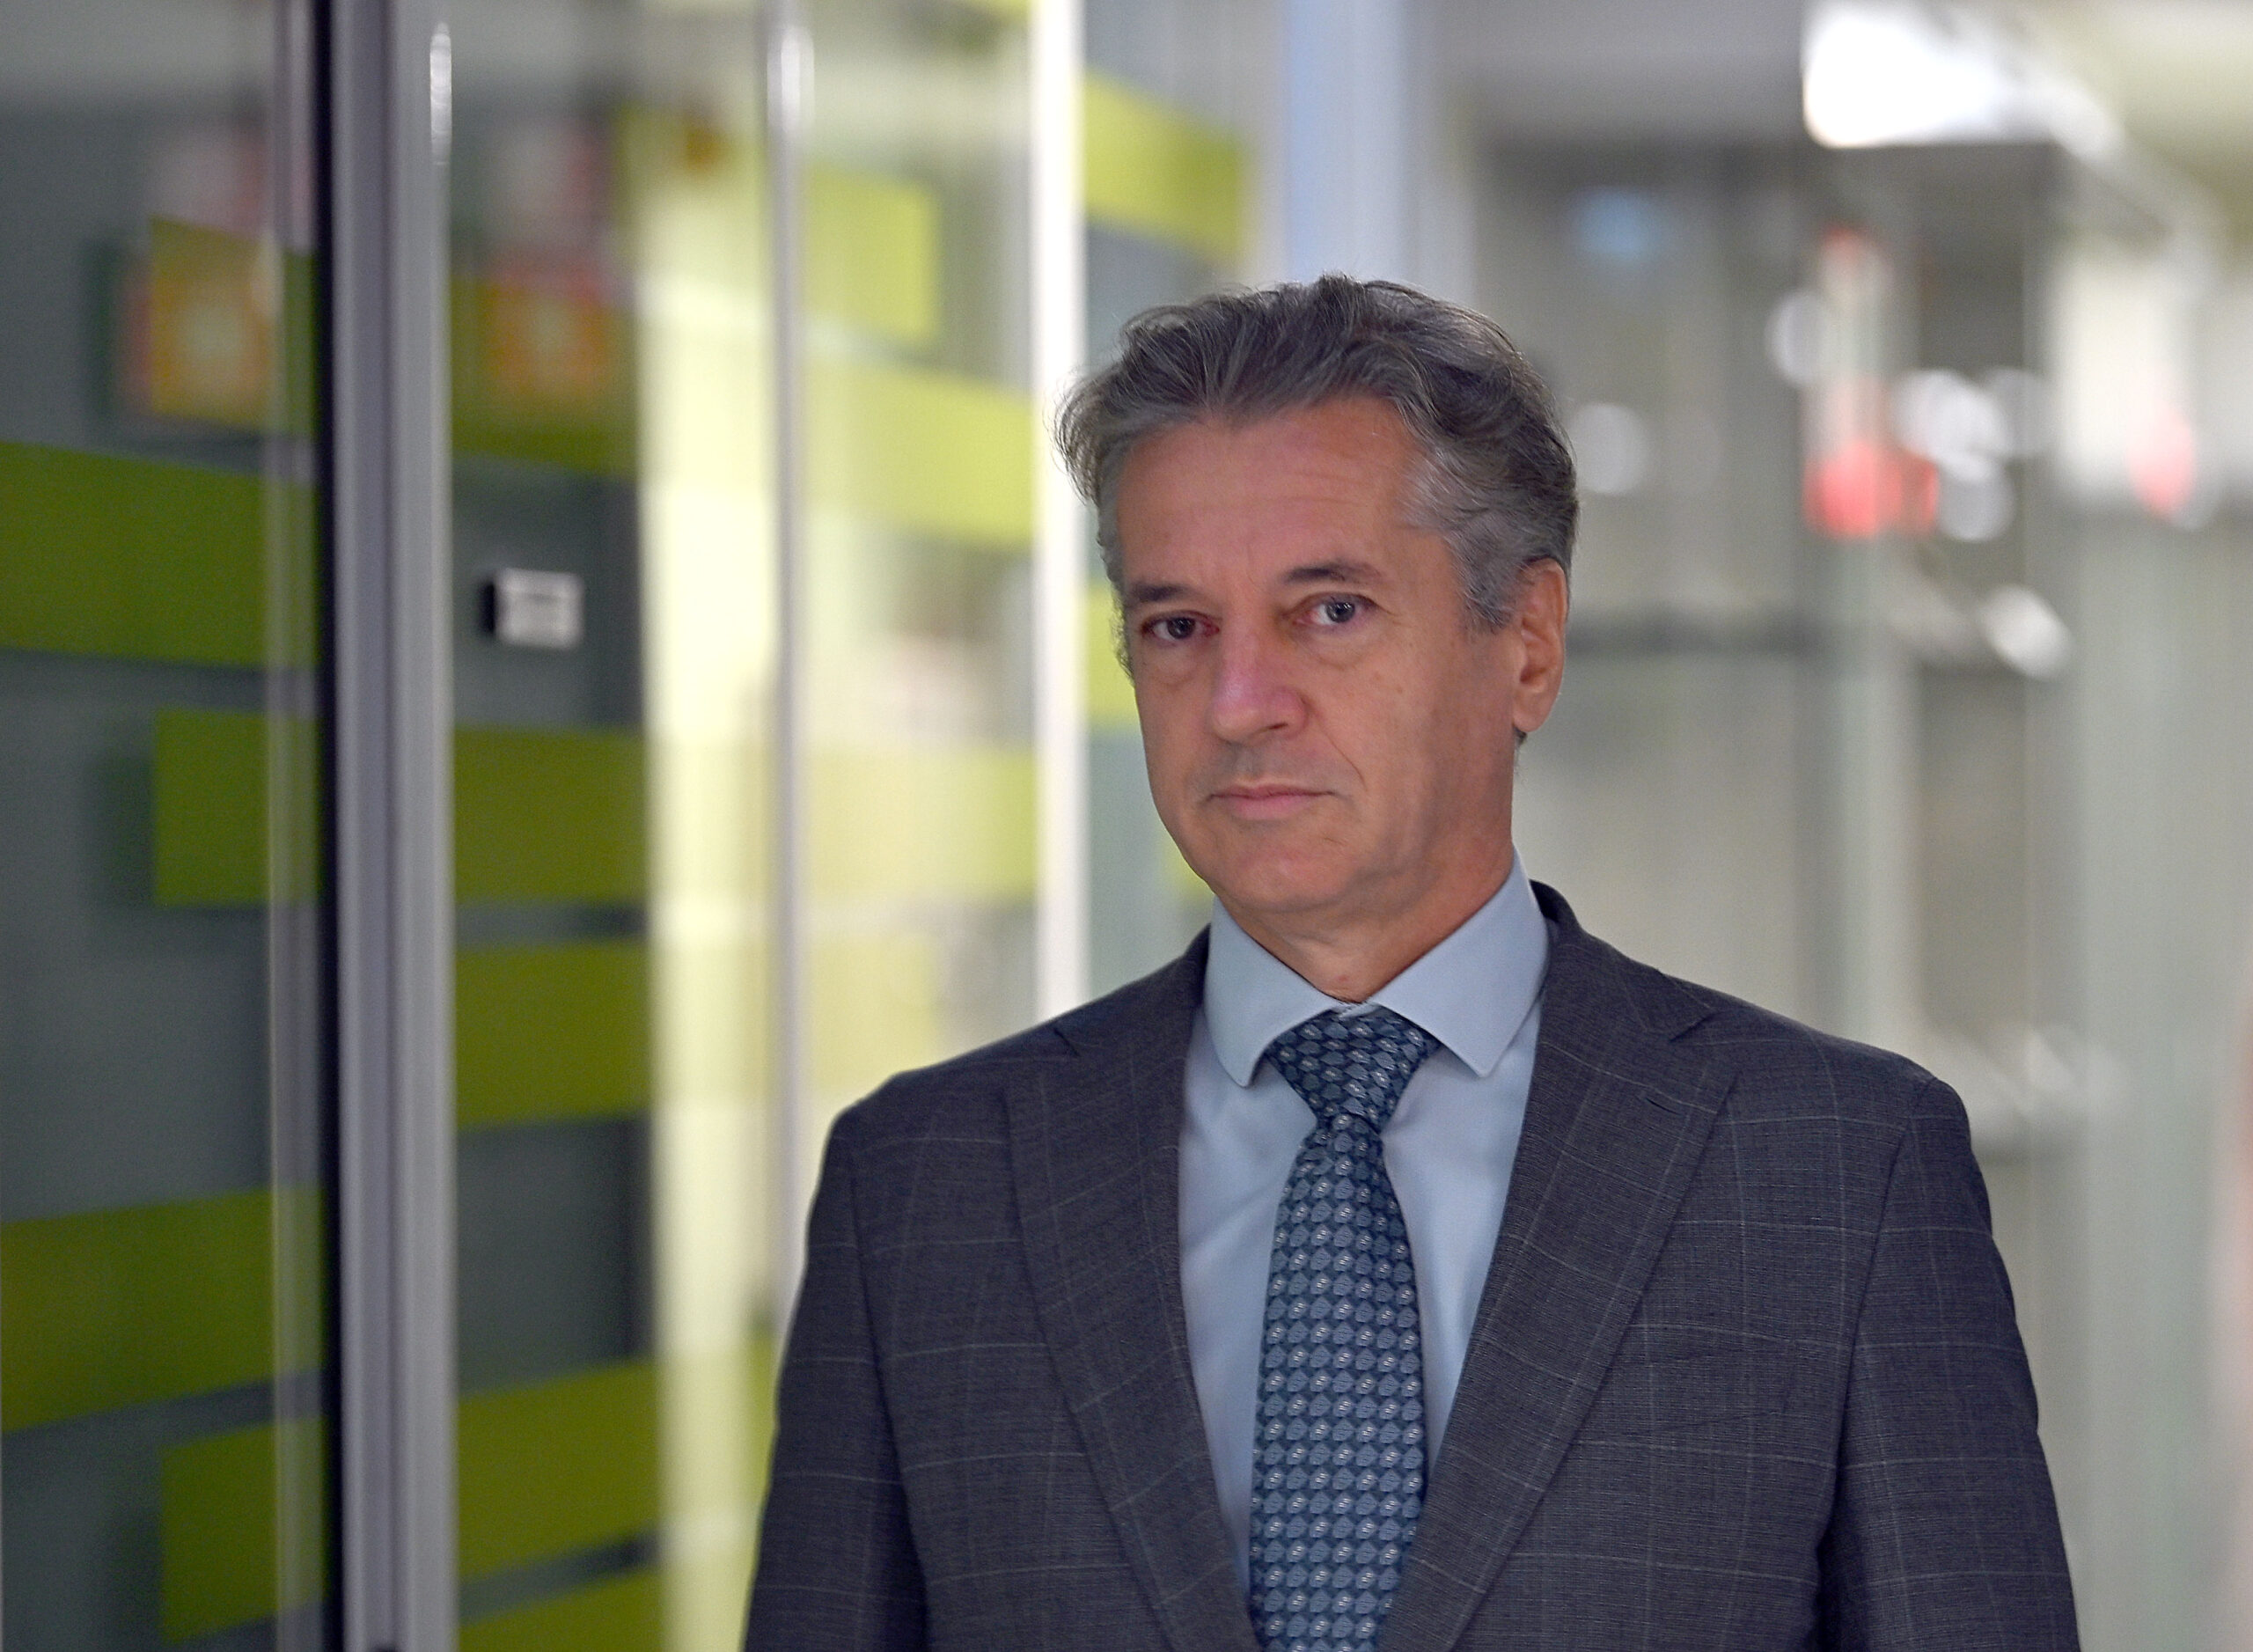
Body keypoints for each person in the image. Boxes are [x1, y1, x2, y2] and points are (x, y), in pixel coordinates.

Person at [744, 275, 2077, 1651]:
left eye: (1329, 611)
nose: (1240, 704)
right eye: (1178, 626)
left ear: (1529, 645)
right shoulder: (926, 1188)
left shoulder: (1837, 1177)